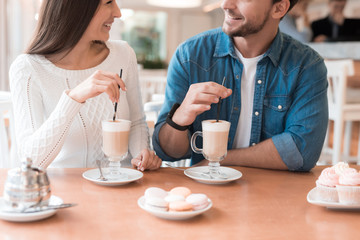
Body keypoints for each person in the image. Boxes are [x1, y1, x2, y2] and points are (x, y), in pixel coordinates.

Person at [153, 0, 328, 172]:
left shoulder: (307, 65)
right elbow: (168, 152)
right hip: (207, 190)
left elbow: (302, 151)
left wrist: (223, 159)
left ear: (279, 8)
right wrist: (179, 119)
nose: (225, 5)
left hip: (273, 192)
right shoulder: (189, 56)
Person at [9, 0, 162, 171]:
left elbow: (136, 123)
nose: (118, 13)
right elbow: (30, 161)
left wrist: (142, 153)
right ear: (77, 7)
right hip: (65, 191)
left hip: (122, 184)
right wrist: (73, 98)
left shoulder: (124, 54)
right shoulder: (27, 69)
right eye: (109, 2)